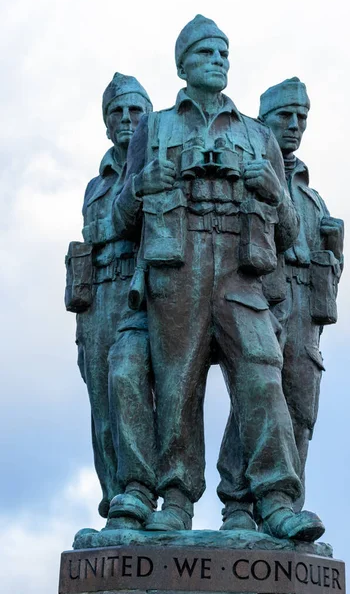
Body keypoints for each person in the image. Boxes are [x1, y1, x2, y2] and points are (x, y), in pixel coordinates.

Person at [113, 17, 324, 541]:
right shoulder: (155, 128)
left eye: (224, 53)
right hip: (177, 269)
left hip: (240, 273)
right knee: (177, 384)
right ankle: (177, 500)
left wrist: (273, 189)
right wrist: (141, 184)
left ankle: (275, 499)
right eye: (205, 52)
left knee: (262, 377)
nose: (218, 60)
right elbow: (120, 217)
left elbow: (291, 232)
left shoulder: (256, 134)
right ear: (183, 64)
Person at [217, 77, 344, 522]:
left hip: (305, 318)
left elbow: (331, 268)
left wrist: (334, 255)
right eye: (284, 116)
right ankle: (237, 501)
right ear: (262, 121)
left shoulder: (313, 199)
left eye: (301, 118)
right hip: (260, 301)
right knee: (253, 400)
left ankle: (288, 509)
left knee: (301, 413)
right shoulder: (245, 173)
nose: (294, 125)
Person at [66, 73, 157, 527]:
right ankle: (115, 503)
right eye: (116, 112)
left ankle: (147, 494)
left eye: (134, 110)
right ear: (106, 123)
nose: (125, 119)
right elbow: (94, 236)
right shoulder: (94, 185)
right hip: (97, 297)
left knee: (137, 397)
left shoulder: (156, 165)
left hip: (143, 293)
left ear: (147, 118)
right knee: (102, 409)